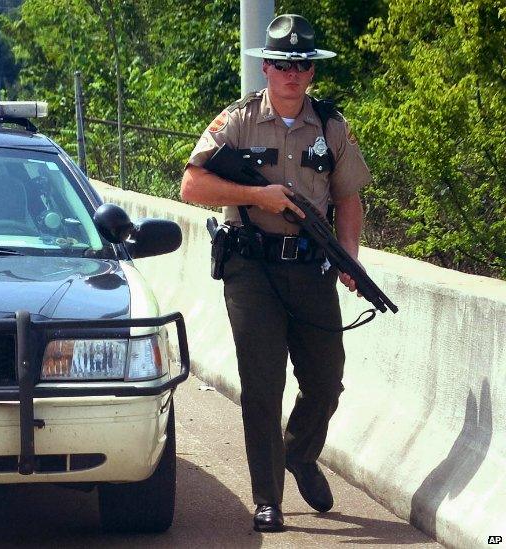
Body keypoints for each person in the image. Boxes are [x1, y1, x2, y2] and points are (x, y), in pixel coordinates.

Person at [180, 14, 372, 533]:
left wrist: (348, 256)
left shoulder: (331, 126)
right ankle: (268, 498)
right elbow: (192, 185)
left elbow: (349, 197)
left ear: (311, 72)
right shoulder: (237, 121)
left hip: (310, 270)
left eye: (301, 65)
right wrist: (255, 195)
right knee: (262, 386)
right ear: (266, 66)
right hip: (250, 269)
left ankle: (300, 453)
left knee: (326, 380)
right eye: (282, 63)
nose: (292, 74)